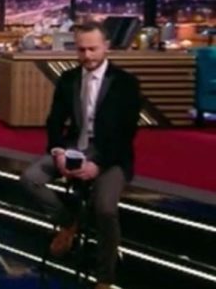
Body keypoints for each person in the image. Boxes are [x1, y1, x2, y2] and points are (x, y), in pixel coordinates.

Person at [20, 21, 141, 289]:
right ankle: (69, 222)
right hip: (74, 147)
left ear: (106, 47)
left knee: (105, 208)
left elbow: (126, 134)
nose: (87, 55)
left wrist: (98, 165)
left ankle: (105, 278)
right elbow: (54, 121)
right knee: (30, 178)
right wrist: (58, 152)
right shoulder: (69, 79)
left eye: (93, 49)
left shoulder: (126, 83)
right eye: (81, 49)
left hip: (111, 155)